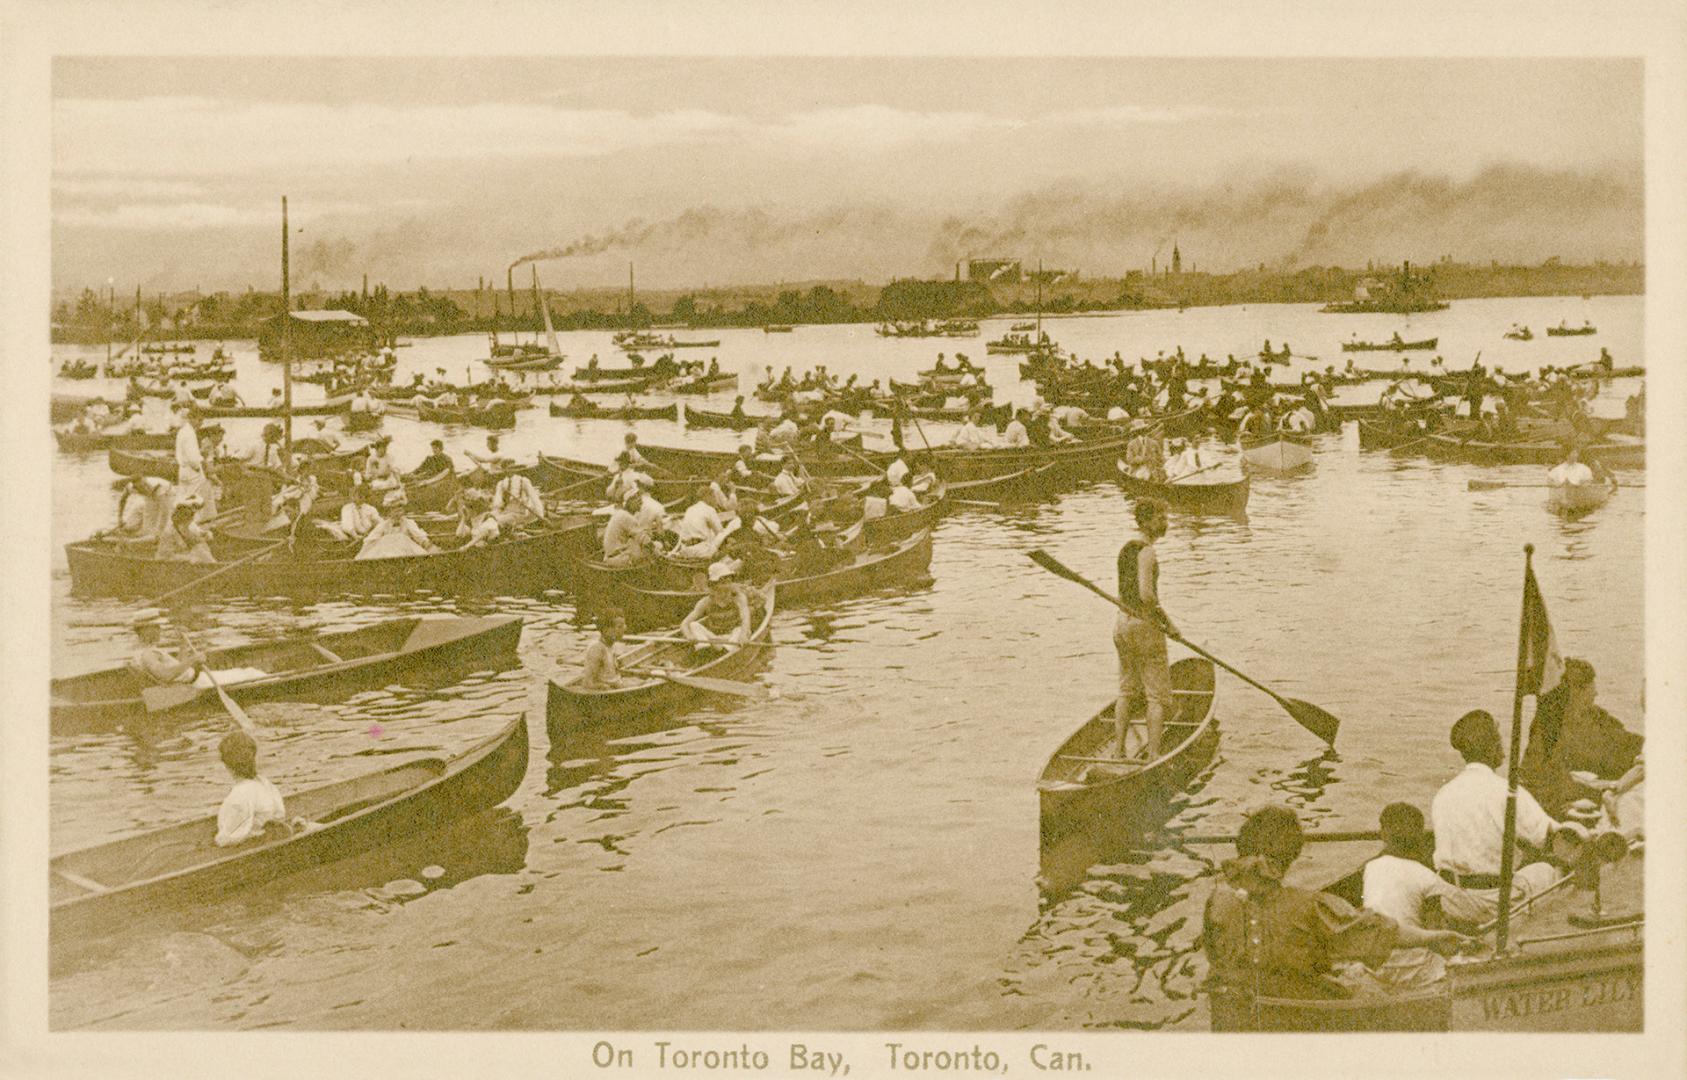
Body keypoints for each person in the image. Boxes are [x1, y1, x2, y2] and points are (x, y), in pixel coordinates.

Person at [1203, 805, 1468, 1002]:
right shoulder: (1309, 906)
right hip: (1298, 1014)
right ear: (1293, 854)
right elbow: (1379, 931)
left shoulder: (1217, 901)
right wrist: (1433, 937)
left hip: (1237, 1009)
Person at [1429, 709, 1574, 919]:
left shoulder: (1444, 793)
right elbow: (1553, 839)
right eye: (1499, 739)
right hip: (1491, 901)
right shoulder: (1508, 792)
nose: (1503, 746)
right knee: (1549, 871)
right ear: (1491, 747)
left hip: (1451, 900)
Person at [1360, 803, 1490, 986]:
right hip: (1416, 968)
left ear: (1383, 835)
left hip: (1377, 965)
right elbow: (1436, 936)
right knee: (1481, 959)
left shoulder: (1370, 868)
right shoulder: (1426, 877)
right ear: (1420, 837)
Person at [1518, 658, 1644, 819]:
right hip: (1566, 808)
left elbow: (1629, 744)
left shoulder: (1597, 717)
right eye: (1591, 687)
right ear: (1577, 690)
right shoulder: (1547, 727)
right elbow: (1534, 777)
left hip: (1604, 795)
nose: (1596, 693)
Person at [1112, 499, 1175, 762]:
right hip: (1145, 627)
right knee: (1156, 695)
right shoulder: (1147, 551)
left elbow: (1125, 593)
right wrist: (1167, 623)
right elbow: (1147, 595)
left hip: (1122, 624)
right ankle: (1153, 755)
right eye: (1161, 518)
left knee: (1126, 690)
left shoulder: (1125, 549)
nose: (1166, 523)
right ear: (1147, 521)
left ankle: (1118, 752)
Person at [214, 731, 288, 847]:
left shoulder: (240, 794)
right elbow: (280, 814)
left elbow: (228, 839)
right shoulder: (263, 782)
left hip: (251, 844)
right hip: (267, 835)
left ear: (228, 766)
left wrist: (218, 839)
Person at [680, 563, 755, 645]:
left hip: (733, 636)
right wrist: (689, 636)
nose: (727, 586)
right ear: (714, 585)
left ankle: (725, 650)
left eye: (728, 581)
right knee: (694, 625)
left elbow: (745, 618)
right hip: (715, 639)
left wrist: (743, 635)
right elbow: (684, 624)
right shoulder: (706, 602)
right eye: (723, 582)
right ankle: (705, 649)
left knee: (740, 630)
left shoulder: (738, 598)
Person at [355, 490, 440, 560]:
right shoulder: (383, 525)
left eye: (399, 508)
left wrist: (431, 548)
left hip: (406, 556)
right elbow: (370, 541)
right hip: (386, 557)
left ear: (403, 510)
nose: (397, 512)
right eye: (393, 509)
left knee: (401, 538)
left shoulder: (408, 523)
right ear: (389, 511)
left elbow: (421, 538)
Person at [127, 610, 196, 685]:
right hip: (190, 684)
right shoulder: (148, 654)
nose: (159, 629)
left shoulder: (150, 649)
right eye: (156, 626)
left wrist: (183, 644)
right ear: (145, 630)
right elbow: (166, 676)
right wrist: (193, 660)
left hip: (191, 680)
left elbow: (177, 665)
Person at [577, 609, 627, 691]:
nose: (624, 629)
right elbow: (588, 683)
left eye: (624, 625)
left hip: (614, 687)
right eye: (619, 627)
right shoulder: (597, 648)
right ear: (606, 629)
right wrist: (604, 687)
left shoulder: (611, 645)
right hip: (606, 692)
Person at [114, 475, 174, 540]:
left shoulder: (158, 487)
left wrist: (159, 531)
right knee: (141, 528)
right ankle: (139, 528)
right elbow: (122, 500)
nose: (144, 488)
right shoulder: (130, 487)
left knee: (157, 529)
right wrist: (119, 518)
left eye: (144, 486)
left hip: (167, 493)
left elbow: (165, 511)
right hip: (149, 496)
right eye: (141, 488)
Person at [156, 498, 214, 563]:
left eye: (191, 517)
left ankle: (213, 564)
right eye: (186, 517)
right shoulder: (169, 533)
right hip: (171, 566)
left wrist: (206, 535)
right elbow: (165, 557)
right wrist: (188, 558)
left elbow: (199, 539)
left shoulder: (190, 528)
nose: (190, 520)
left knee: (201, 547)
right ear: (180, 518)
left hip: (189, 562)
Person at [601, 490, 650, 566]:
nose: (641, 503)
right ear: (629, 502)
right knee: (651, 550)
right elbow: (644, 539)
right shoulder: (627, 517)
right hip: (618, 559)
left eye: (640, 500)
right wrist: (658, 552)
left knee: (635, 544)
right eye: (638, 500)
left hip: (610, 557)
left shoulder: (619, 513)